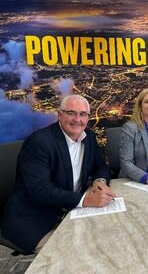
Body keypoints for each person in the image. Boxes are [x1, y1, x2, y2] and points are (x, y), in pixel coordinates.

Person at [1, 94, 116, 253]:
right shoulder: (39, 143)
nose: (77, 119)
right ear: (59, 114)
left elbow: (100, 165)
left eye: (83, 114)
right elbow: (40, 191)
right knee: (76, 256)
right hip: (35, 218)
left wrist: (100, 181)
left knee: (103, 242)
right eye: (71, 113)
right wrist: (85, 199)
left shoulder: (88, 137)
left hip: (69, 210)